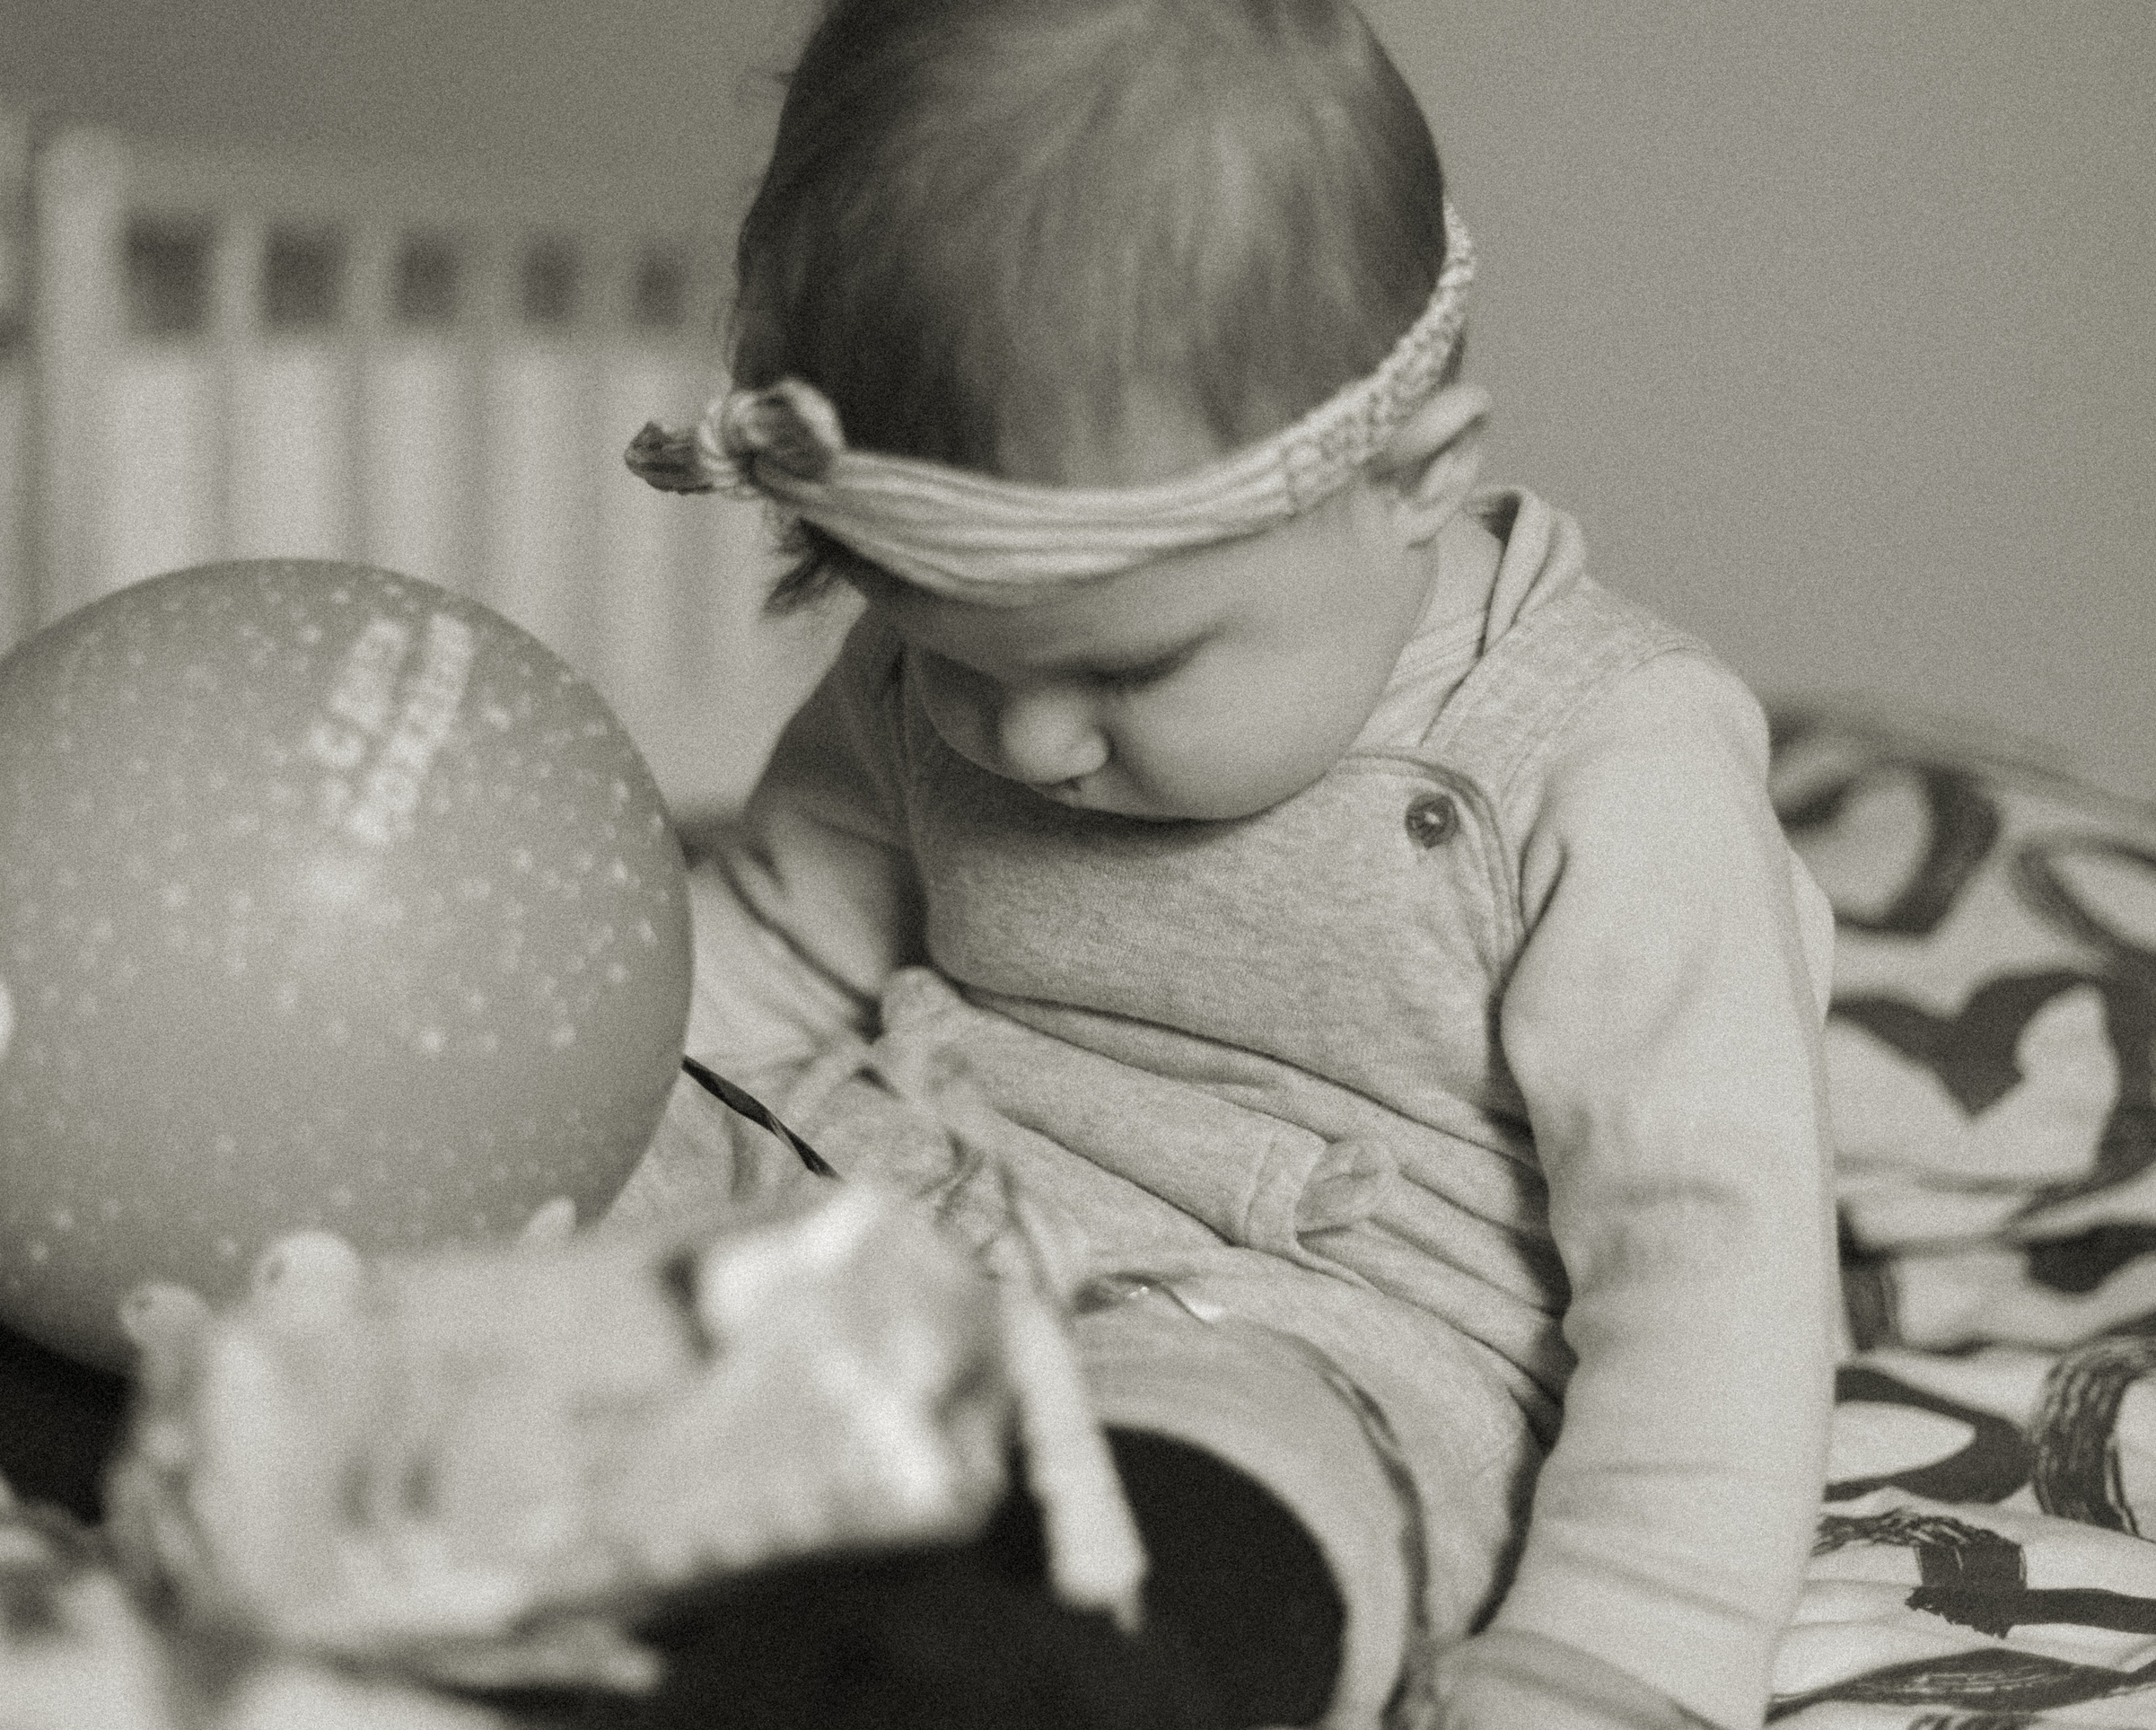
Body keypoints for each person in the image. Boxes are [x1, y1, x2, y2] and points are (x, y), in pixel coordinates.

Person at [620, 0, 1841, 1725]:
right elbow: (761, 963)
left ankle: (968, 1671)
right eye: (959, 660)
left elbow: (1712, 1264)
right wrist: (560, 1109)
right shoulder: (939, 676)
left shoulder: (1607, 761)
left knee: (1204, 1510)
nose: (1028, 741)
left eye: (1128, 671)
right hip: (877, 1195)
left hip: (1290, 1330)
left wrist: (1615, 1663)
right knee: (546, 1186)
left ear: (1416, 480)